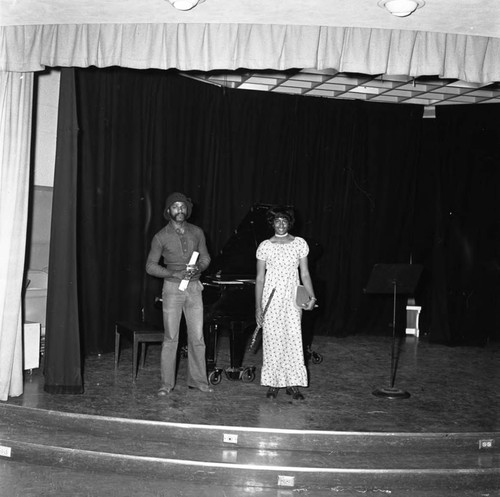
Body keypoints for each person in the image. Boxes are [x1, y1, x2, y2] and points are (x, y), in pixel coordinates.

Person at [146, 192, 213, 395]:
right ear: (168, 211)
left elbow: (206, 257)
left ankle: (199, 381)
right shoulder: (160, 236)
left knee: (197, 337)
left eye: (182, 206)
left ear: (187, 209)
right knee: (171, 337)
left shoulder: (197, 232)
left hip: (194, 289)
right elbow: (150, 266)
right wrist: (173, 273)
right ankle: (166, 385)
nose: (179, 210)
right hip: (172, 289)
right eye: (175, 207)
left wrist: (199, 268)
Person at [255, 206, 317, 400]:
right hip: (271, 297)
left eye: (284, 221)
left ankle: (292, 383)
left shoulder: (299, 244)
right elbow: (259, 278)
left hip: (293, 297)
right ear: (272, 223)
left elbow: (305, 273)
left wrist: (312, 297)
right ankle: (273, 383)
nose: (280, 224)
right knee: (272, 339)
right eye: (277, 221)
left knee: (293, 338)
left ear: (289, 223)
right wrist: (258, 307)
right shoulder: (265, 245)